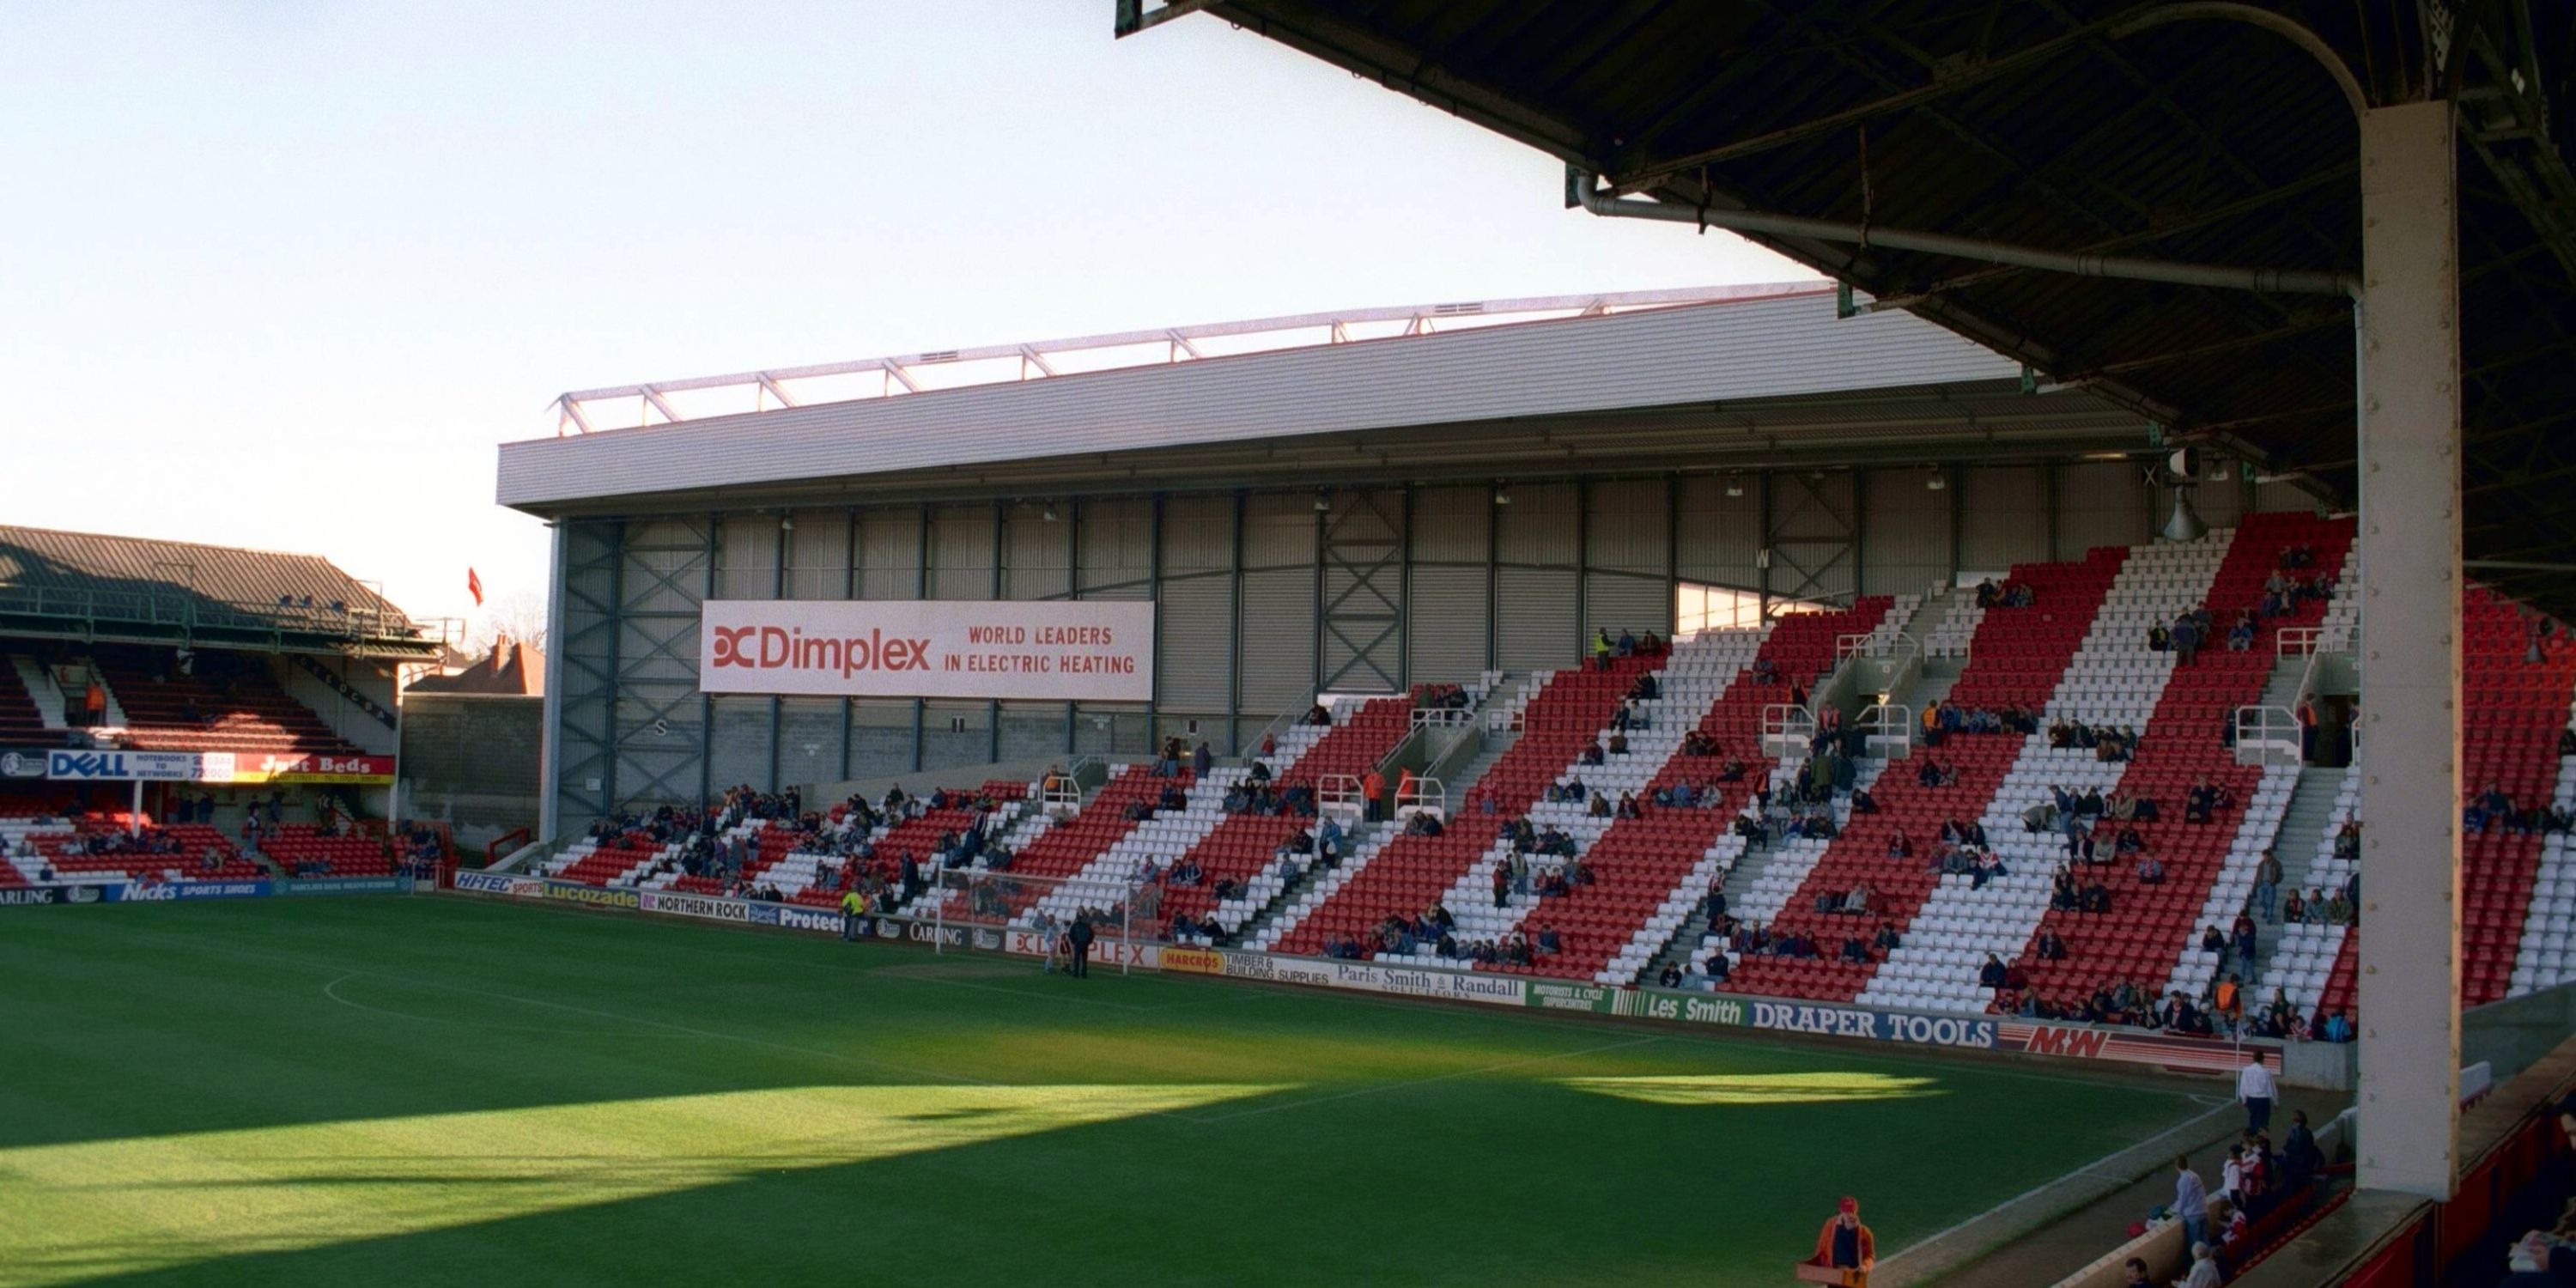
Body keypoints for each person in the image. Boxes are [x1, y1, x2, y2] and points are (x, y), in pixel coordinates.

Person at [1807, 1197, 1874, 1277]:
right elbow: (1821, 1247)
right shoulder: (1830, 1225)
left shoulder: (1865, 1233)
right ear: (1841, 1211)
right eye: (1846, 1212)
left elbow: (1870, 1256)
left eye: (1851, 1211)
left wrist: (1865, 1267)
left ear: (1856, 1211)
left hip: (1854, 1275)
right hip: (1835, 1274)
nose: (1849, 1214)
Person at [2172, 1156, 2209, 1251]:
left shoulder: (2183, 1180)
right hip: (2203, 1209)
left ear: (2177, 1166)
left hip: (2193, 1214)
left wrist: (2177, 1212)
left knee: (2195, 1242)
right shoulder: (2194, 1175)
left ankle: (2198, 1261)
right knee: (2205, 1237)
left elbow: (2183, 1199)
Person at [2236, 1053, 2275, 1133]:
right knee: (2263, 1122)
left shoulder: (2246, 1070)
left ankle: (2253, 1136)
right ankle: (2261, 1139)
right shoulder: (2266, 1072)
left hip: (2251, 1098)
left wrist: (2244, 1099)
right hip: (2263, 1099)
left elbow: (2243, 1085)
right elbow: (2271, 1088)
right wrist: (2275, 1101)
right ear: (2262, 1059)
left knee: (2253, 1118)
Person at [1066, 914, 1096, 979]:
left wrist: (1074, 942)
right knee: (1084, 959)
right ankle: (1084, 974)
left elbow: (1071, 935)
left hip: (1078, 943)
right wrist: (1088, 942)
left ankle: (1076, 973)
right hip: (1085, 943)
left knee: (1077, 959)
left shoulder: (1074, 926)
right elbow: (1092, 934)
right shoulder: (1087, 926)